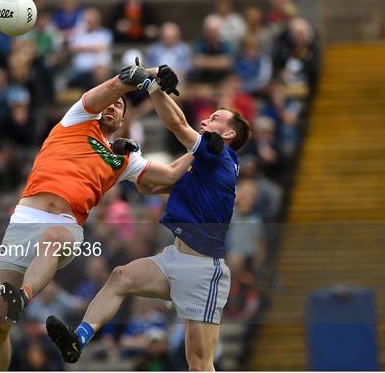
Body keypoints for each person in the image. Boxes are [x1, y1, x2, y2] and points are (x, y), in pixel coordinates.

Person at [0, 64, 192, 371]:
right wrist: (149, 73)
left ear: (123, 120)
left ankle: (24, 297)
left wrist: (204, 146)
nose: (112, 105)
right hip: (25, 218)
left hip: (65, 225)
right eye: (112, 101)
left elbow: (172, 176)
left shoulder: (124, 158)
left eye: (119, 106)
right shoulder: (78, 119)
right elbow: (113, 85)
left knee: (53, 239)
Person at [45, 63, 251, 371]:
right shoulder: (202, 161)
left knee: (199, 364)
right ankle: (79, 338)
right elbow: (151, 186)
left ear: (230, 133)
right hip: (173, 259)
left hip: (203, 270)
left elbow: (179, 126)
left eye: (216, 118)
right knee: (120, 278)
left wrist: (152, 85)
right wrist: (131, 157)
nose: (207, 119)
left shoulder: (219, 155)